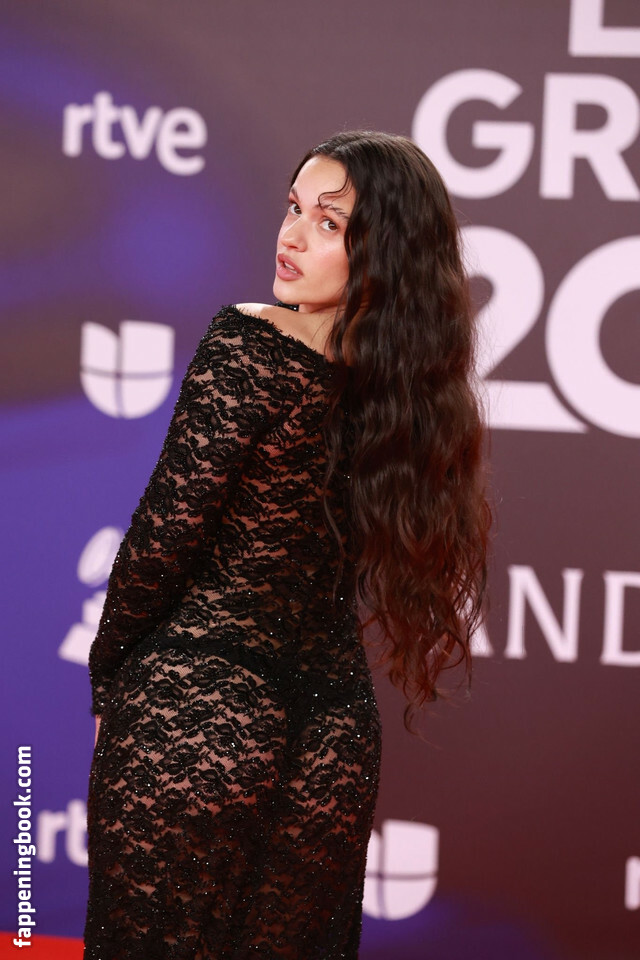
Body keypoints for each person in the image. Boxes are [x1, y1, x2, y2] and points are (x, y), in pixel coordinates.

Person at [83, 130, 490, 960]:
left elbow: (167, 531)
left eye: (329, 223)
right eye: (293, 208)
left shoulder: (250, 341)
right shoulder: (412, 404)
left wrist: (109, 676)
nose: (293, 235)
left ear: (384, 254)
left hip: (198, 706)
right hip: (333, 736)